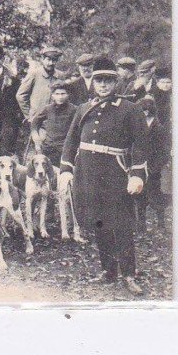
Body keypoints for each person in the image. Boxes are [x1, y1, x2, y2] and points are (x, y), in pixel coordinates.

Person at [58, 56, 149, 295]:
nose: (103, 85)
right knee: (99, 223)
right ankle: (108, 271)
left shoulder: (130, 109)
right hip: (87, 174)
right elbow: (70, 142)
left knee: (121, 224)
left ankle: (129, 274)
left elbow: (140, 144)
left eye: (108, 80)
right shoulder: (83, 109)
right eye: (99, 80)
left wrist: (137, 174)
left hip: (115, 173)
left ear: (115, 82)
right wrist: (66, 169)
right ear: (93, 82)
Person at [135, 96, 168, 229]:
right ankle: (141, 224)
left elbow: (163, 151)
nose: (144, 113)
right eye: (142, 110)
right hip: (140, 166)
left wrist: (155, 167)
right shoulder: (137, 126)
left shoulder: (159, 128)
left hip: (153, 167)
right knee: (139, 194)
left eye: (146, 110)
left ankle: (161, 223)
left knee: (156, 195)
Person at [30, 80, 78, 165]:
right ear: (52, 96)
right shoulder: (48, 109)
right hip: (48, 148)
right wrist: (36, 138)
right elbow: (35, 122)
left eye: (63, 94)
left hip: (65, 149)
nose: (60, 97)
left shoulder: (74, 109)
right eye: (57, 94)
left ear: (68, 95)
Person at [16, 45, 62, 124]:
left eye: (54, 60)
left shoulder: (60, 76)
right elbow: (20, 95)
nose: (51, 63)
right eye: (48, 59)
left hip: (55, 120)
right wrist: (29, 115)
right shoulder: (34, 74)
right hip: (37, 120)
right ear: (42, 59)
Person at [152, 67, 172, 132]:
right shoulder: (153, 93)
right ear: (158, 83)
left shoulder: (172, 93)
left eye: (168, 82)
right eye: (163, 82)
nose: (165, 85)